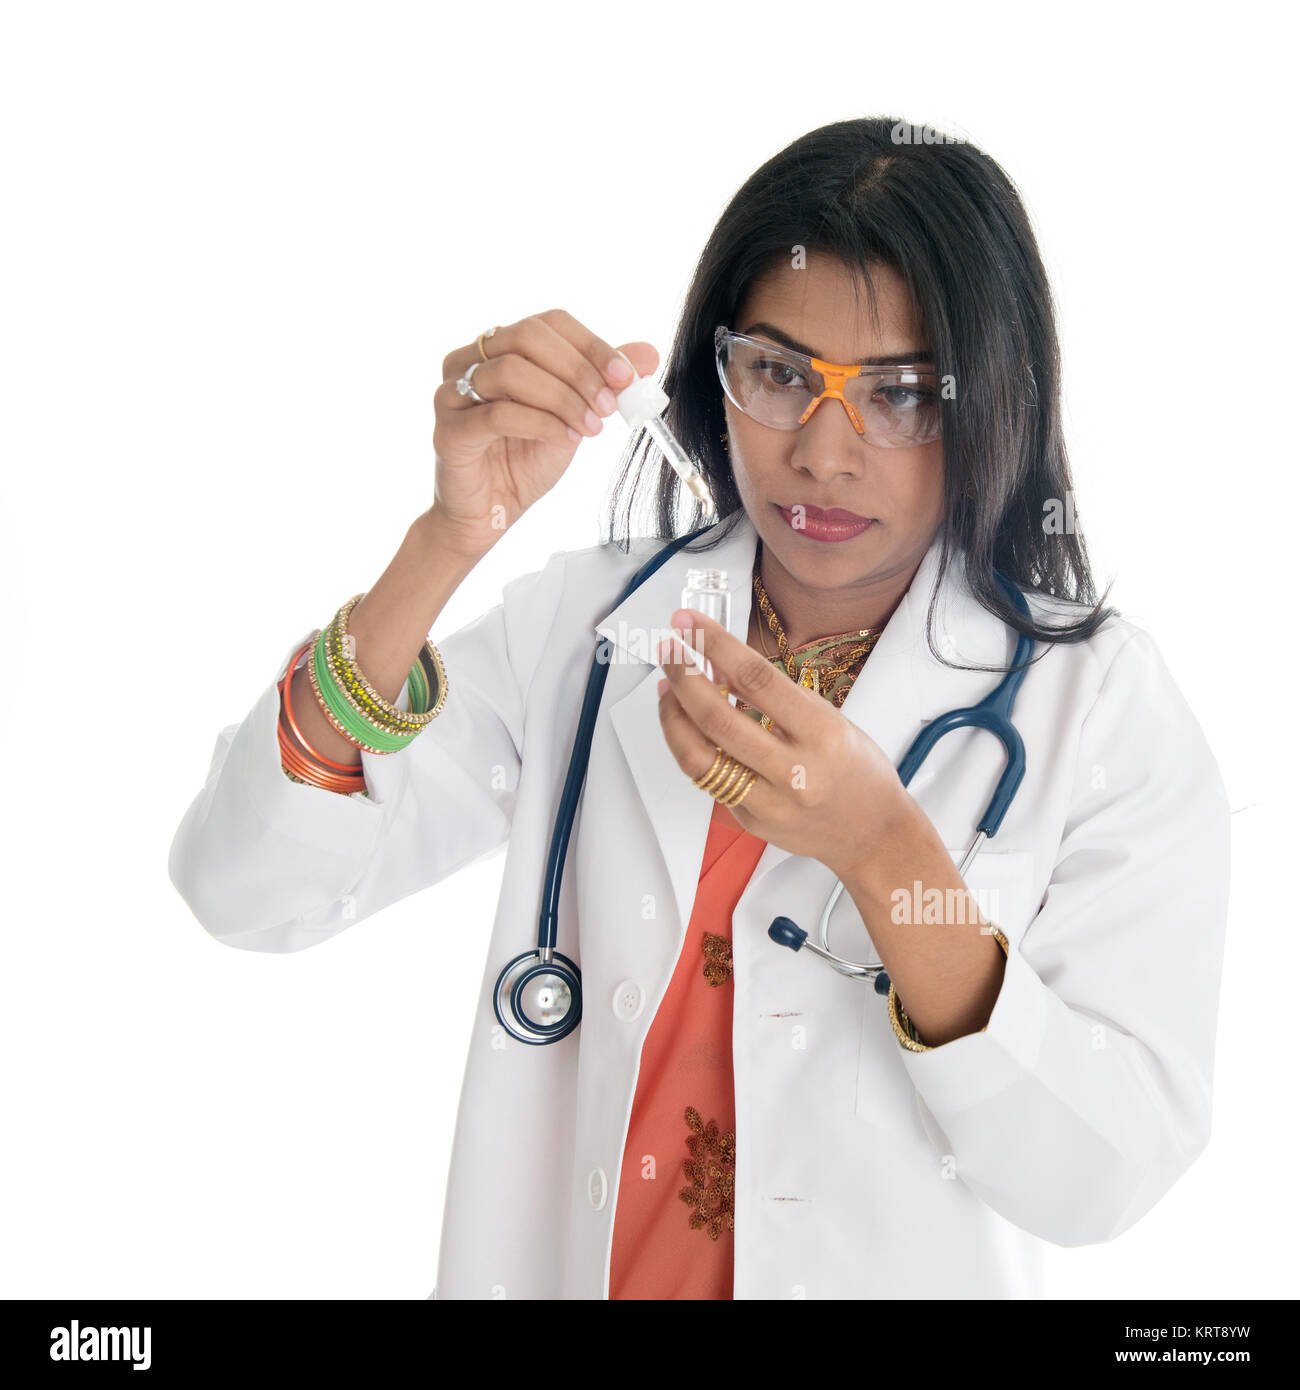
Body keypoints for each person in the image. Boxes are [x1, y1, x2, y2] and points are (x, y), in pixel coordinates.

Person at [168, 116, 1231, 1300]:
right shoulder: (590, 626)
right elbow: (246, 889)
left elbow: (1101, 1174)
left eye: (902, 395)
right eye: (780, 375)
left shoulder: (1098, 707)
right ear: (710, 371)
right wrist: (446, 539)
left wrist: (882, 853)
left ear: (995, 402)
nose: (824, 454)